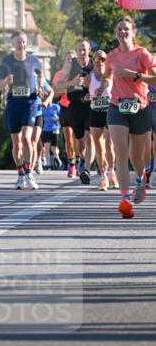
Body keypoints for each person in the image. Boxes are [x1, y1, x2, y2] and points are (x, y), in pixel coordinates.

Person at [100, 17, 156, 218]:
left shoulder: (142, 54)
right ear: (116, 34)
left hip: (140, 107)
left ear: (133, 33)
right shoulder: (111, 56)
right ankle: (124, 199)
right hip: (117, 106)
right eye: (119, 29)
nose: (122, 32)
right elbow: (106, 75)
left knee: (137, 157)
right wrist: (104, 85)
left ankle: (140, 179)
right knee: (120, 152)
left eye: (126, 29)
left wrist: (137, 76)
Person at [0, 30, 42, 190]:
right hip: (13, 104)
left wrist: (40, 87)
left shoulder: (34, 59)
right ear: (13, 44)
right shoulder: (6, 61)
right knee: (16, 142)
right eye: (18, 42)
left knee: (27, 138)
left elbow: (40, 74)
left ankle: (29, 173)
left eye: (24, 41)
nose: (21, 44)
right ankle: (21, 174)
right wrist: (6, 81)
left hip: (30, 102)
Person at [53, 38, 95, 184]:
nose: (82, 52)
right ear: (76, 51)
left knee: (90, 137)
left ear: (89, 50)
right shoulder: (70, 65)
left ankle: (86, 169)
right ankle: (81, 159)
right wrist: (72, 83)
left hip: (91, 106)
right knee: (79, 141)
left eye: (84, 49)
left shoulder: (95, 64)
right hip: (75, 107)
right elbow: (57, 88)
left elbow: (107, 80)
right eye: (79, 50)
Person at [83, 50, 117, 191]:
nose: (100, 61)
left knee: (109, 145)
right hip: (95, 112)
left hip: (109, 112)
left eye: (103, 58)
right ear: (93, 60)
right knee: (99, 148)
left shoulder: (110, 74)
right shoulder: (89, 78)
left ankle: (112, 172)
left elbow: (111, 85)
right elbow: (83, 95)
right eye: (97, 58)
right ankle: (103, 177)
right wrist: (85, 98)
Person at [51, 51, 76, 176]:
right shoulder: (59, 74)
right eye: (68, 59)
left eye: (72, 59)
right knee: (69, 139)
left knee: (80, 138)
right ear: (64, 61)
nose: (70, 61)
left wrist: (63, 88)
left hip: (79, 107)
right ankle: (72, 164)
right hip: (65, 107)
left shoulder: (80, 73)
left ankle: (80, 161)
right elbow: (55, 92)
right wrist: (69, 87)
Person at [41, 99, 62, 170]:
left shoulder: (56, 106)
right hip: (45, 129)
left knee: (54, 148)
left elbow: (62, 117)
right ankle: (48, 164)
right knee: (46, 147)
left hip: (55, 129)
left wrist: (58, 118)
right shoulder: (43, 107)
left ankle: (57, 157)